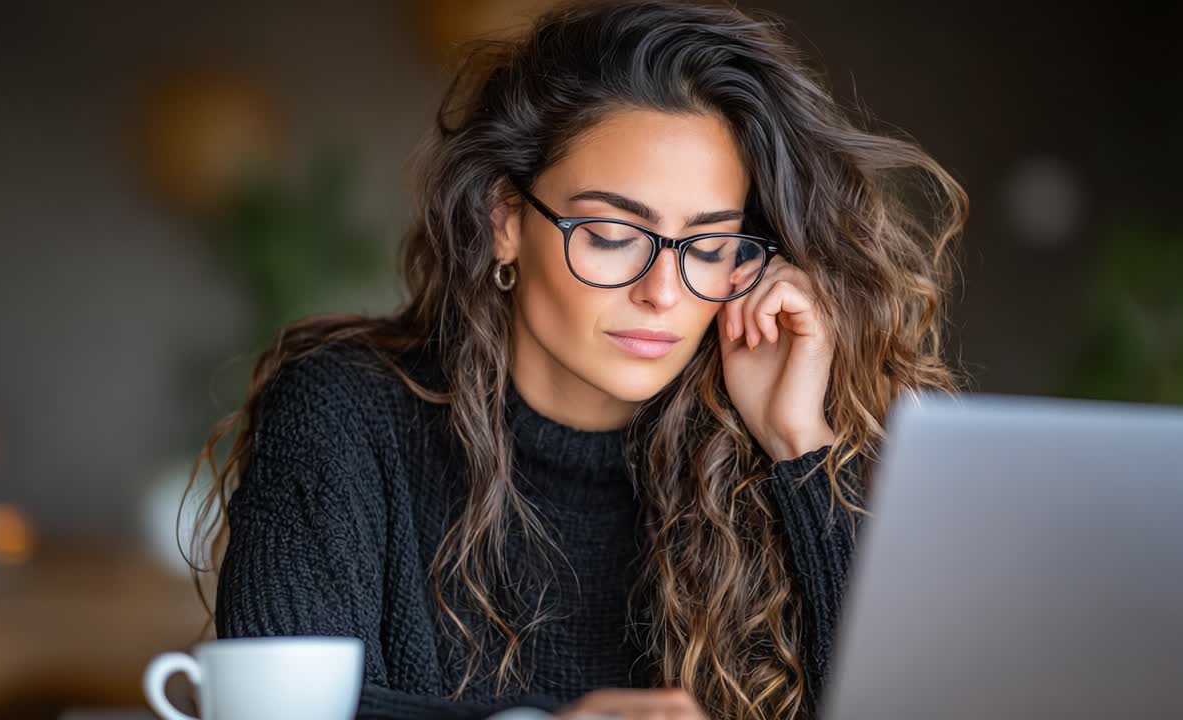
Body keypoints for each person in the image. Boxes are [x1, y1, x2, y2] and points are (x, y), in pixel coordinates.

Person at [186, 1, 968, 718]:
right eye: (611, 234)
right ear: (506, 221)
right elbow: (272, 708)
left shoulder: (767, 452)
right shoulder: (346, 411)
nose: (663, 291)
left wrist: (799, 446)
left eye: (707, 244)